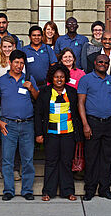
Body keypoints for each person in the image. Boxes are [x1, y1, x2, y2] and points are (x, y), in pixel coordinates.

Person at [0, 50, 39, 201]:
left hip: (27, 124)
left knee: (27, 159)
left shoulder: (29, 78)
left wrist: (31, 88)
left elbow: (38, 98)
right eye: (16, 62)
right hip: (8, 125)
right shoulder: (1, 81)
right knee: (7, 159)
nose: (19, 66)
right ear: (10, 63)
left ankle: (27, 190)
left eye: (21, 63)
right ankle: (8, 190)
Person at [35, 64, 82, 201]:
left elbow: (77, 114)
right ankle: (48, 192)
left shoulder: (72, 92)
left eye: (62, 77)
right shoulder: (44, 92)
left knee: (66, 162)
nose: (59, 79)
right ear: (52, 78)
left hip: (69, 133)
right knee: (51, 162)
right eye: (56, 77)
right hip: (51, 133)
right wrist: (39, 133)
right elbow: (38, 114)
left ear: (65, 78)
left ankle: (68, 191)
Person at [78, 54, 111, 201]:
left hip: (108, 123)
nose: (103, 64)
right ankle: (89, 189)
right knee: (91, 158)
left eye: (106, 62)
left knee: (106, 158)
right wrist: (85, 124)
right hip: (92, 123)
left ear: (108, 64)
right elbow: (81, 103)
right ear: (95, 63)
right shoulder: (86, 79)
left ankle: (105, 189)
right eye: (100, 62)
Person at [0, 35, 18, 182]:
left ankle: (15, 169)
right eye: (5, 46)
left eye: (10, 46)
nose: (7, 49)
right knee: (1, 138)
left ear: (14, 47)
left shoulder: (19, 62)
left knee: (15, 137)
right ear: (1, 47)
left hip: (14, 103)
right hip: (0, 104)